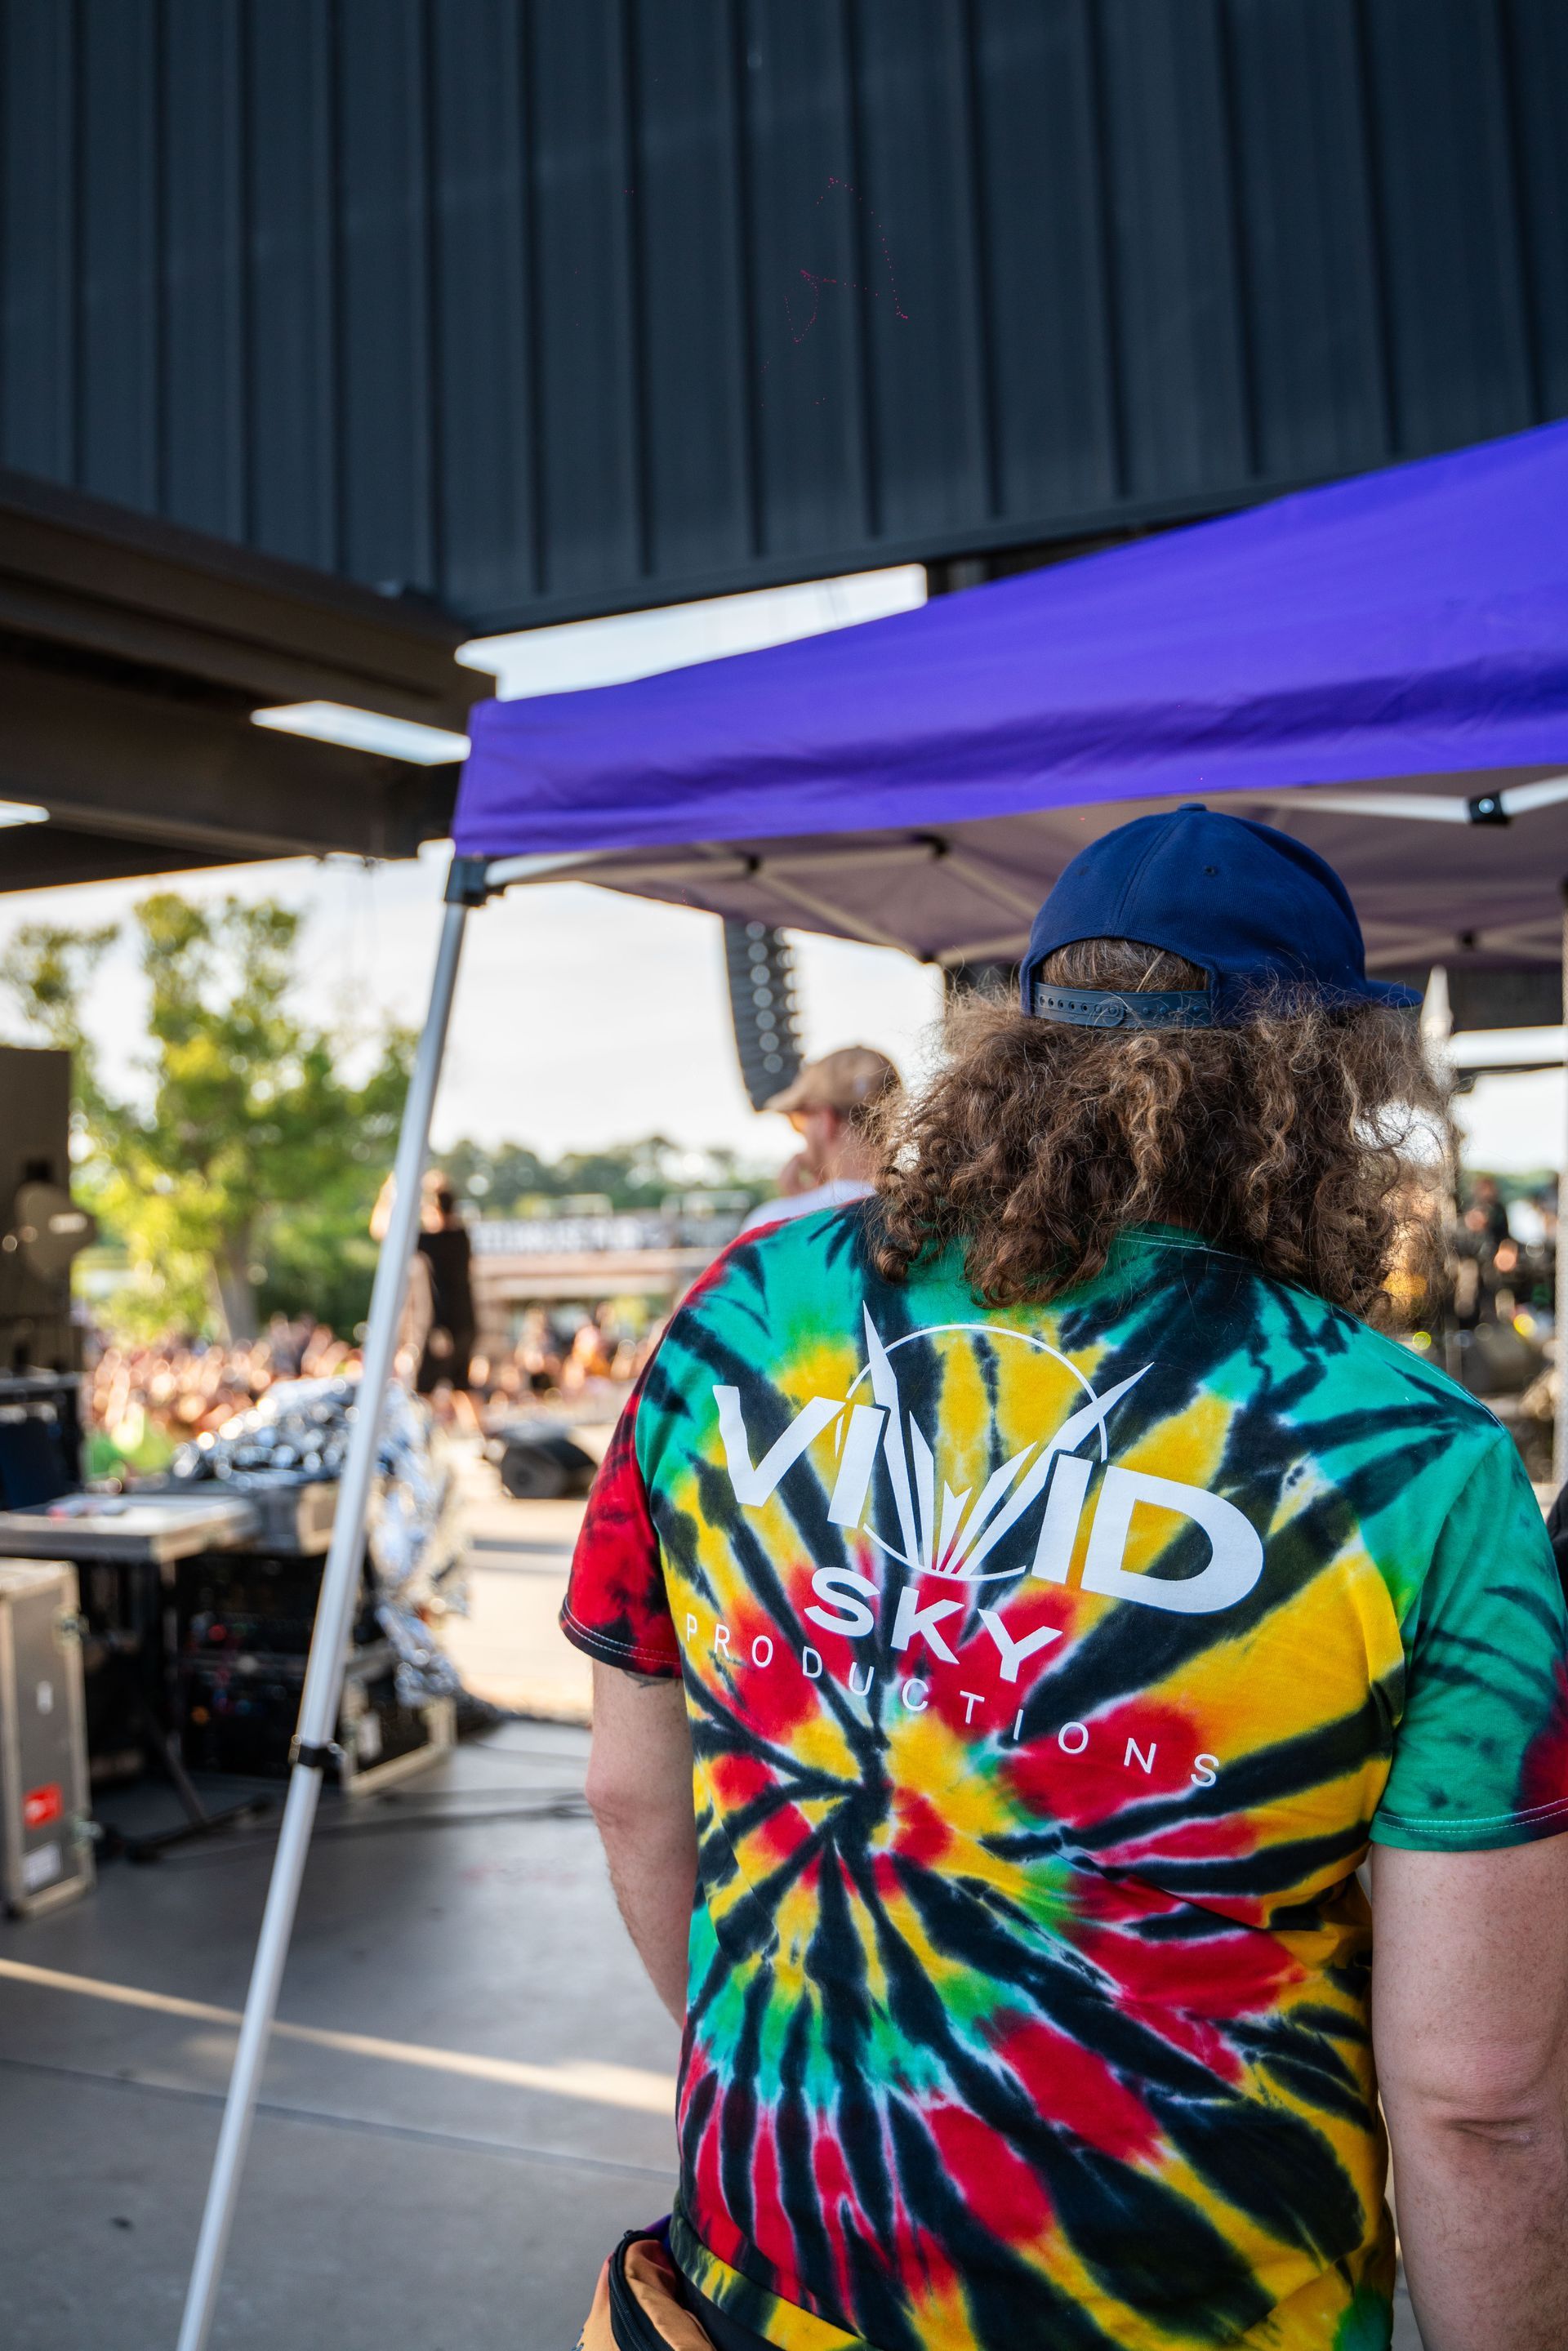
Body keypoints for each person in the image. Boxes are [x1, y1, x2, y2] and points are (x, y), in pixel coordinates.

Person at [564, 805, 1568, 2351]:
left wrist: (803, 2088)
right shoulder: (1414, 1461)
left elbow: (637, 1793)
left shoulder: (741, 1314)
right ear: (1325, 1090)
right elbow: (1480, 2090)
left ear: (1016, 1041)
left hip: (752, 2286)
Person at [738, 1044, 901, 1234]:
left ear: (825, 1119)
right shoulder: (924, 1213)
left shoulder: (771, 1225)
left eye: (799, 1120)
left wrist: (802, 1204)